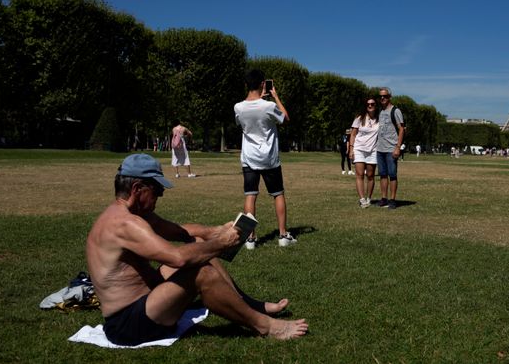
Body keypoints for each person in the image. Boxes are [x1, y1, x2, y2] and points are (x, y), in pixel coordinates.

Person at [86, 153, 308, 346]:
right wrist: (221, 243)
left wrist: (215, 232)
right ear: (137, 189)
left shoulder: (131, 214)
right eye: (157, 190)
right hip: (127, 324)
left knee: (198, 245)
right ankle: (266, 326)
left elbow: (179, 231)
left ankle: (248, 304)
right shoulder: (125, 224)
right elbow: (177, 259)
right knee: (202, 273)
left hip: (143, 303)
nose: (160, 196)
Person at [234, 70, 296, 249]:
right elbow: (285, 118)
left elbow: (243, 123)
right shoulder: (268, 106)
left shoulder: (238, 107)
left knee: (250, 195)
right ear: (263, 84)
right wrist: (275, 97)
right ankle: (283, 235)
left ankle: (250, 239)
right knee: (278, 194)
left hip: (249, 157)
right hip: (269, 158)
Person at [376, 88, 405, 209]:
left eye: (385, 96)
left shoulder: (395, 111)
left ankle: (392, 199)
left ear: (390, 97)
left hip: (391, 148)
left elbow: (401, 129)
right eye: (380, 96)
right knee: (382, 175)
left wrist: (398, 147)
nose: (382, 98)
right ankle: (384, 198)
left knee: (392, 175)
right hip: (380, 148)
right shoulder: (380, 111)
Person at [348, 97, 379, 208]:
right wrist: (351, 149)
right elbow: (353, 134)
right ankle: (362, 200)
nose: (370, 106)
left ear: (376, 105)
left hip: (373, 150)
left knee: (370, 175)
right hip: (359, 149)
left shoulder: (379, 119)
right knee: (360, 174)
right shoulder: (359, 118)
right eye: (368, 104)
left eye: (372, 104)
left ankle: (369, 198)